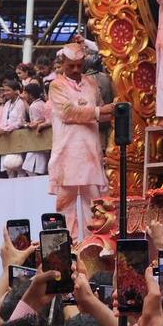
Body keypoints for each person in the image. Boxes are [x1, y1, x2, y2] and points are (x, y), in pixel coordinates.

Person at [48, 41, 113, 240]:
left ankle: (94, 248)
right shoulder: (56, 85)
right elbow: (68, 113)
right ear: (63, 64)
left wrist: (113, 111)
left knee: (94, 205)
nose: (76, 70)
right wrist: (99, 111)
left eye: (79, 66)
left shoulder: (92, 84)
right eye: (71, 66)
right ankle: (68, 255)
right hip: (66, 155)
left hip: (89, 154)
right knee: (65, 208)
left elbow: (100, 113)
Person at [0, 79, 29, 178]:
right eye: (4, 90)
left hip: (17, 137)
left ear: (16, 91)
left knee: (18, 167)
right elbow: (3, 121)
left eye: (8, 90)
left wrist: (6, 129)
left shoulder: (20, 103)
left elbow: (20, 122)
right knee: (8, 169)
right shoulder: (7, 104)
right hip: (6, 139)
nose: (5, 93)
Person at [21, 81, 49, 176]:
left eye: (25, 93)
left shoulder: (34, 106)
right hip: (44, 139)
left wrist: (27, 125)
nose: (23, 95)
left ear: (31, 95)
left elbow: (38, 122)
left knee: (30, 168)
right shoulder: (42, 103)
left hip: (38, 139)